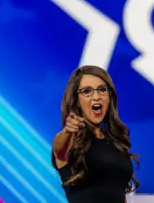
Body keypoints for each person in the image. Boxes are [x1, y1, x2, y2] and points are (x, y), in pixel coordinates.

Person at [51, 65, 139, 203]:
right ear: (77, 101)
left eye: (102, 89)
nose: (96, 97)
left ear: (109, 97)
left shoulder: (115, 142)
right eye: (87, 91)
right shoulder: (70, 140)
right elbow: (58, 148)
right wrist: (68, 131)